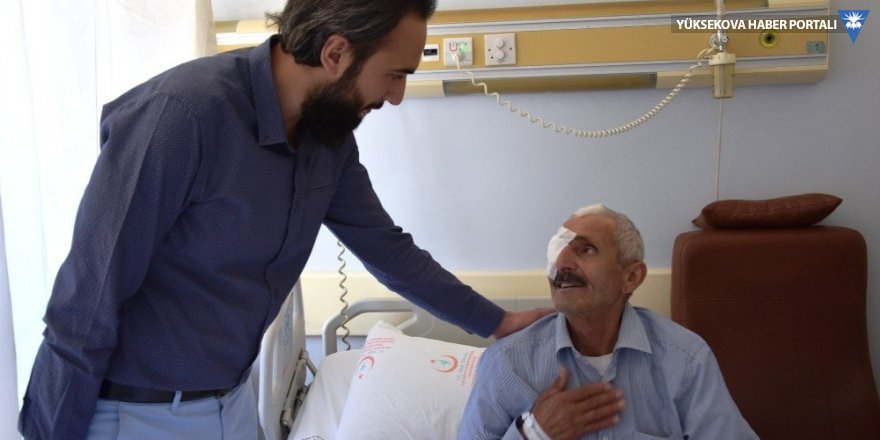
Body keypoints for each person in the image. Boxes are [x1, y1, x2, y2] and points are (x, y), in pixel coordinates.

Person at [17, 1, 550, 438]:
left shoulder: (327, 140)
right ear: (336, 52)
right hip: (134, 416)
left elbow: (388, 249)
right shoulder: (181, 116)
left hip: (232, 404)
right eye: (394, 75)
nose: (396, 96)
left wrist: (497, 323)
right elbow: (86, 304)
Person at [458, 204, 757, 440]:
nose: (562, 263)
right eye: (558, 250)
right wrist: (533, 433)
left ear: (632, 276)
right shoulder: (506, 365)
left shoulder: (686, 359)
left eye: (586, 249)